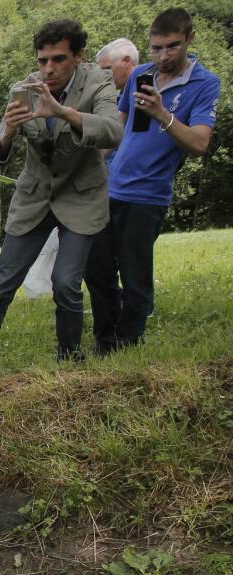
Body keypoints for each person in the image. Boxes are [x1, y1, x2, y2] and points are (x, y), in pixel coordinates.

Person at [0, 19, 122, 392]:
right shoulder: (23, 89)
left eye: (58, 60)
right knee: (1, 286)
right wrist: (7, 131)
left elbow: (112, 132)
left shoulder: (98, 81)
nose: (48, 69)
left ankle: (69, 360)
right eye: (42, 61)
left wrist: (61, 112)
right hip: (35, 197)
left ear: (79, 57)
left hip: (82, 196)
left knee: (66, 282)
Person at [85, 8, 221, 354]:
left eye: (172, 47)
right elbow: (119, 130)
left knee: (134, 274)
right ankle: (106, 340)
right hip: (111, 186)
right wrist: (85, 164)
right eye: (156, 48)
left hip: (149, 195)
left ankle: (129, 342)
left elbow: (199, 144)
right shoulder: (140, 74)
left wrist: (162, 112)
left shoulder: (206, 84)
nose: (162, 56)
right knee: (96, 268)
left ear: (190, 38)